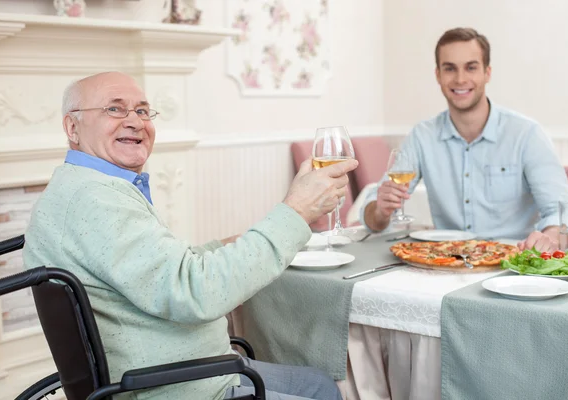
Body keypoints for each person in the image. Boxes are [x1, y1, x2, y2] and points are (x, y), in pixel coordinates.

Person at [22, 71, 357, 400]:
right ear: (72, 127)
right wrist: (297, 211)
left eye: (142, 110)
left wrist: (228, 247)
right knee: (323, 388)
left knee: (319, 385)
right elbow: (196, 293)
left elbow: (160, 272)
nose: (135, 121)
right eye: (115, 108)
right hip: (185, 384)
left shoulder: (85, 186)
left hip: (194, 367)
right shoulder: (94, 200)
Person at [361, 27, 568, 252]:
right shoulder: (422, 136)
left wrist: (550, 237)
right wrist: (381, 212)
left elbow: (563, 210)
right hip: (447, 263)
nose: (460, 79)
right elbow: (374, 214)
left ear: (487, 73)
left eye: (471, 67)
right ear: (438, 75)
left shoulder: (526, 134)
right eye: (450, 69)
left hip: (513, 266)